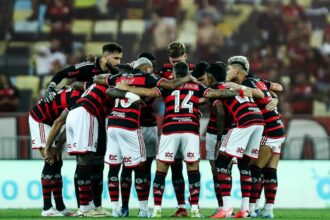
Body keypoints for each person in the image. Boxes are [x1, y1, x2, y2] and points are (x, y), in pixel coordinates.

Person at [115, 61, 253, 218]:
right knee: (193, 168)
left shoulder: (167, 86)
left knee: (161, 169)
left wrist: (128, 89)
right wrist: (239, 92)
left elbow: (151, 93)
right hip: (190, 130)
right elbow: (215, 94)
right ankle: (195, 209)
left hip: (170, 129)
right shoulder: (197, 87)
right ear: (188, 72)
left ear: (173, 73)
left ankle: (157, 209)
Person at [96, 57, 195, 217]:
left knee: (114, 168)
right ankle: (143, 209)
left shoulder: (119, 78)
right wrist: (188, 78)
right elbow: (170, 85)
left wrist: (124, 90)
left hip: (113, 124)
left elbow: (99, 80)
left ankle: (116, 209)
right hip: (130, 125)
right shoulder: (147, 77)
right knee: (141, 167)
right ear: (147, 68)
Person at [44, 82, 139, 217]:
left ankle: (90, 206)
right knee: (85, 161)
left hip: (74, 116)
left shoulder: (82, 95)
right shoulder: (111, 83)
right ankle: (84, 209)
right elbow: (112, 91)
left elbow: (59, 121)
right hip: (87, 114)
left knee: (83, 160)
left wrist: (53, 147)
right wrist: (130, 94)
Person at [211, 56, 265, 218]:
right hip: (258, 120)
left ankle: (226, 208)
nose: (228, 71)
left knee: (221, 160)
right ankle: (245, 209)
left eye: (230, 69)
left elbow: (216, 102)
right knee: (244, 164)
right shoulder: (244, 86)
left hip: (244, 121)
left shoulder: (222, 86)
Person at [233, 74, 285, 218]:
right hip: (278, 129)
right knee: (270, 171)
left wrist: (238, 87)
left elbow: (258, 94)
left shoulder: (248, 82)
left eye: (230, 68)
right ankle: (268, 209)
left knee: (255, 169)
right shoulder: (260, 81)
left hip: (268, 130)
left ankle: (252, 208)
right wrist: (274, 97)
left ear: (238, 71)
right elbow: (279, 87)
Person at [29, 86, 81, 216]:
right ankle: (47, 208)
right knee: (51, 160)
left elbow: (69, 126)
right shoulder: (78, 102)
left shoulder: (80, 97)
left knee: (57, 161)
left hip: (51, 121)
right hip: (40, 119)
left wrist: (57, 148)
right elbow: (60, 122)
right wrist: (48, 148)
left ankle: (60, 207)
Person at [157, 41, 195, 217]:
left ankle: (195, 206)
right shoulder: (162, 71)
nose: (176, 65)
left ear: (186, 56)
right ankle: (182, 206)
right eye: (173, 62)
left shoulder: (195, 70)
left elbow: (209, 88)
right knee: (175, 167)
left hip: (188, 124)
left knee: (192, 166)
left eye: (179, 61)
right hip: (171, 123)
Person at [119, 52, 158, 217]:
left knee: (127, 168)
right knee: (145, 169)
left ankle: (124, 207)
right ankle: (143, 208)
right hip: (145, 127)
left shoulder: (124, 81)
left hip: (130, 125)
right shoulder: (151, 80)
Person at [44, 42, 123, 102]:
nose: (119, 62)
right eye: (116, 58)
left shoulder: (114, 71)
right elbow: (62, 73)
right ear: (106, 57)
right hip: (76, 103)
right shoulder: (88, 65)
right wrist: (51, 87)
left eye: (120, 59)